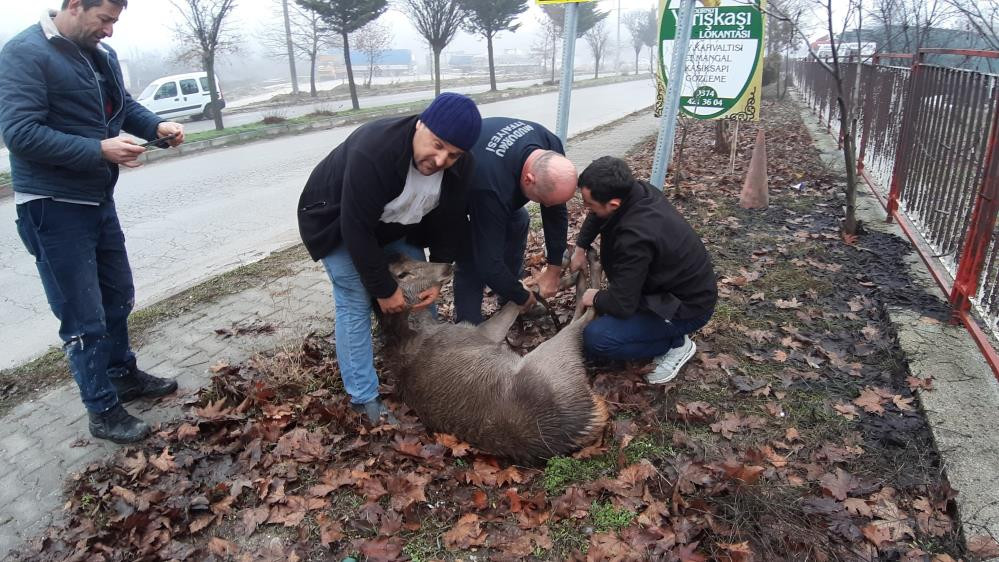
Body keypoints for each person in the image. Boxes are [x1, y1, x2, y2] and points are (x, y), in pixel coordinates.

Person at [0, 0, 185, 444]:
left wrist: (157, 126)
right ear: (75, 5)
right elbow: (19, 132)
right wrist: (97, 150)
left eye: (116, 22)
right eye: (105, 20)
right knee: (83, 315)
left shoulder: (99, 56)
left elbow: (123, 109)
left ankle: (123, 374)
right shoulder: (24, 53)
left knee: (118, 296)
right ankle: (101, 410)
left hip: (97, 199)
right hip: (51, 205)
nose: (110, 31)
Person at [297, 92, 482, 424]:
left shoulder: (462, 166)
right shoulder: (376, 150)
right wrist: (383, 289)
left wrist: (437, 276)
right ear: (421, 124)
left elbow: (451, 219)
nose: (441, 160)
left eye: (452, 155)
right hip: (335, 220)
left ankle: (429, 372)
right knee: (355, 297)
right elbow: (354, 228)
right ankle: (363, 399)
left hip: (392, 221)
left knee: (420, 295)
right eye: (437, 145)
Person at [572, 156, 717, 383]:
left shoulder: (635, 237)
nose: (587, 209)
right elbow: (596, 215)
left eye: (589, 204)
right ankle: (664, 333)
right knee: (608, 316)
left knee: (597, 338)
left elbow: (622, 305)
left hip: (687, 306)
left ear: (614, 205)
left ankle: (675, 345)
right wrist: (581, 247)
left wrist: (597, 297)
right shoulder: (636, 190)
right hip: (664, 289)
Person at [453, 117, 578, 325]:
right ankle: (468, 327)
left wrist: (554, 269)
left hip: (498, 181)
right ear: (529, 179)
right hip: (458, 196)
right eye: (542, 202)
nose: (547, 207)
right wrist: (523, 297)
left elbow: (555, 212)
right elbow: (488, 264)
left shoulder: (550, 144)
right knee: (473, 260)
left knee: (519, 220)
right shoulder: (490, 186)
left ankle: (509, 298)